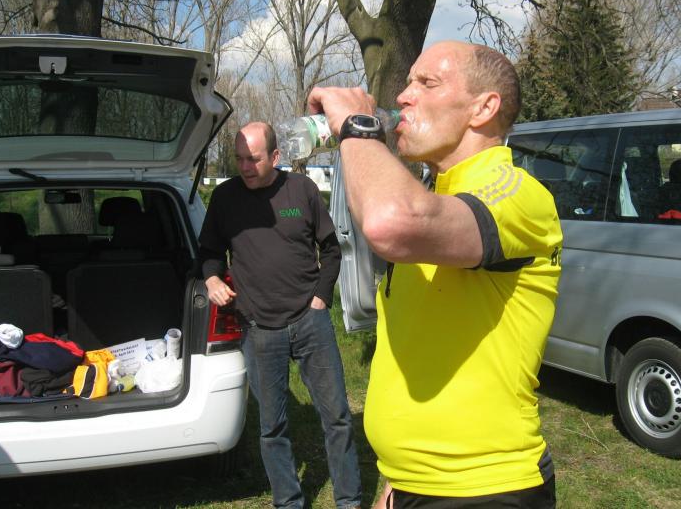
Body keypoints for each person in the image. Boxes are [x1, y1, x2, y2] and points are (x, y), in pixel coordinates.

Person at [307, 41, 563, 508]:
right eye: (408, 83)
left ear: (483, 108)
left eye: (427, 83)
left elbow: (390, 223)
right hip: (414, 486)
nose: (404, 96)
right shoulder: (435, 196)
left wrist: (357, 126)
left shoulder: (516, 192)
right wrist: (397, 482)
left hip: (484, 491)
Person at [199, 122, 362, 509]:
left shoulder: (301, 190)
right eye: (239, 158)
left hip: (310, 323)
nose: (245, 166)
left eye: (253, 159)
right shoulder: (224, 198)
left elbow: (331, 249)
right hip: (258, 329)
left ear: (275, 156)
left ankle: (349, 501)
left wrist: (321, 297)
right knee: (272, 427)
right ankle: (288, 502)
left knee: (337, 417)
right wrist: (211, 278)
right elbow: (208, 251)